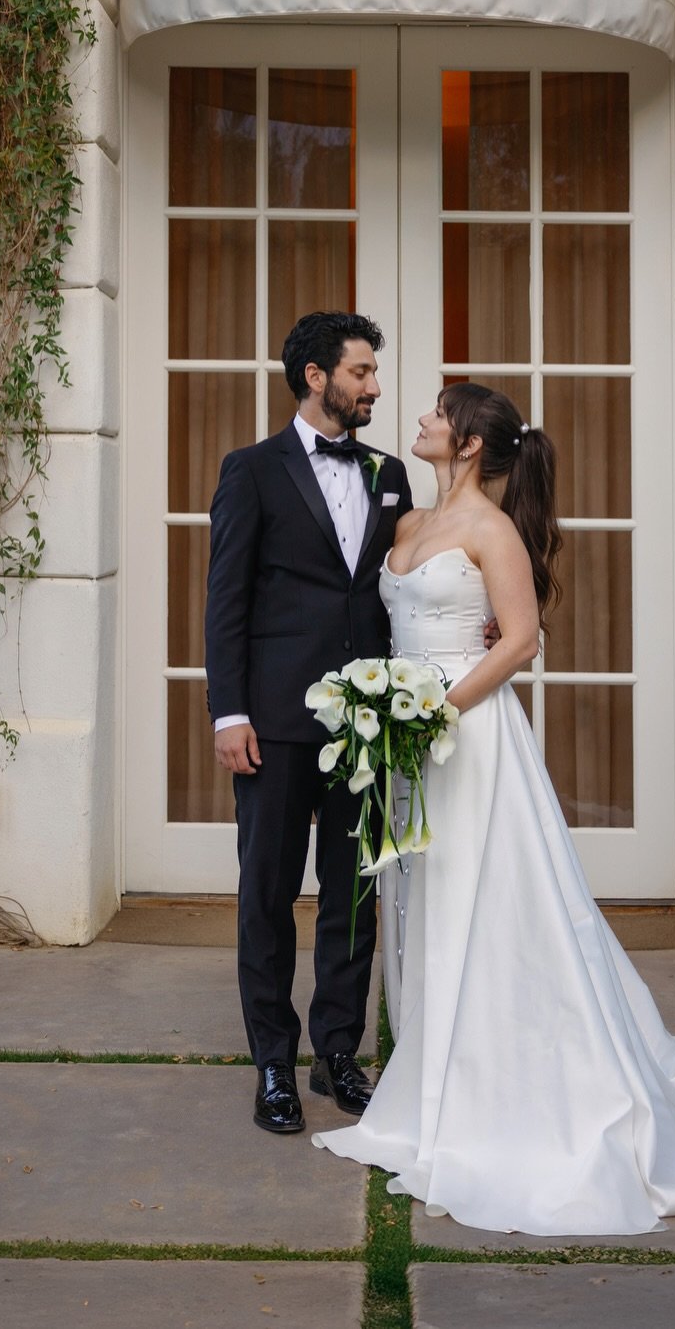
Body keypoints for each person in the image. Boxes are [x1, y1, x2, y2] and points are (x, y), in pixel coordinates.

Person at [314, 383, 675, 1235]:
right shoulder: (407, 525)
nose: (421, 421)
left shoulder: (493, 531)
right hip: (407, 745)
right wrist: (384, 707)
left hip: (468, 740)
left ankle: (502, 1087)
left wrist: (437, 710)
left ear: (470, 442)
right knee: (424, 903)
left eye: (438, 413)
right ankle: (432, 1075)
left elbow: (520, 639)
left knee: (495, 905)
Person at [205, 312, 414, 1134]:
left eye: (372, 372)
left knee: (353, 897)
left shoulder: (389, 472)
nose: (374, 387)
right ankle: (272, 1064)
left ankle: (337, 1052)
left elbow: (408, 576)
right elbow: (227, 601)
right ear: (317, 377)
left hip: (364, 724)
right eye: (361, 372)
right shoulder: (251, 471)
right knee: (266, 892)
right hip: (276, 723)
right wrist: (231, 711)